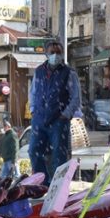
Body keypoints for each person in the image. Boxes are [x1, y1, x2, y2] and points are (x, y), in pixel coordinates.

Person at [28, 40, 80, 178]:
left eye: (58, 52)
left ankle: (57, 185)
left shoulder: (69, 73)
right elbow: (33, 92)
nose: (55, 55)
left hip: (58, 119)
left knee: (59, 155)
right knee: (33, 151)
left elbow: (76, 97)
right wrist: (33, 110)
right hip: (39, 118)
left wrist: (65, 115)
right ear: (46, 54)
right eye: (52, 52)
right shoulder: (38, 71)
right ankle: (42, 182)